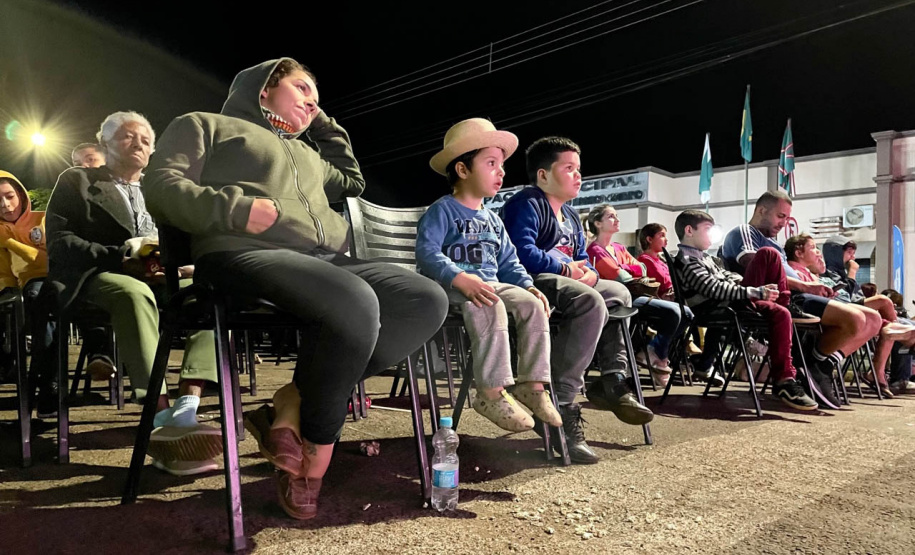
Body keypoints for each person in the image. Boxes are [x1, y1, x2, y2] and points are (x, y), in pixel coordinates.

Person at [143, 58, 448, 519]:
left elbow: (352, 180)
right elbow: (161, 185)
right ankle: (314, 459)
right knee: (353, 299)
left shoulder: (306, 153)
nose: (311, 100)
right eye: (302, 88)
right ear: (264, 88)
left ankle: (290, 402)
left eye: (317, 98)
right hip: (238, 251)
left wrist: (320, 119)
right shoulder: (206, 125)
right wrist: (233, 209)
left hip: (320, 260)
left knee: (425, 299)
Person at [45, 111, 222, 475]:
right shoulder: (77, 180)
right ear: (105, 143)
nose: (138, 142)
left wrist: (188, 263)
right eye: (127, 136)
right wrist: (120, 256)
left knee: (212, 291)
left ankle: (187, 405)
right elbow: (61, 242)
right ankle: (159, 416)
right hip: (102, 274)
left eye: (145, 139)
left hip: (164, 275)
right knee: (132, 294)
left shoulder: (162, 189)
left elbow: (187, 238)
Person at [501, 136, 652, 465]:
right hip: (534, 281)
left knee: (619, 293)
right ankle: (563, 401)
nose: (577, 175)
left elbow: (585, 260)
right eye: (568, 168)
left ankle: (612, 379)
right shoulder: (527, 203)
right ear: (543, 175)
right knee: (591, 301)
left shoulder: (570, 215)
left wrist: (593, 276)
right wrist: (568, 269)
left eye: (578, 169)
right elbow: (520, 253)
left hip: (569, 281)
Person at [416, 118, 561, 434]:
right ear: (463, 170)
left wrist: (527, 285)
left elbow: (509, 261)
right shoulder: (442, 211)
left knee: (532, 305)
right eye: (491, 163)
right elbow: (427, 253)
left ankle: (533, 386)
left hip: (491, 283)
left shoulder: (493, 220)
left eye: (502, 164)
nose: (501, 171)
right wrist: (459, 278)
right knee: (489, 302)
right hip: (450, 286)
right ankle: (490, 392)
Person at [721, 191, 880, 407]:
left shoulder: (773, 242)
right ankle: (815, 364)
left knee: (874, 320)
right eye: (780, 216)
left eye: (787, 218)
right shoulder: (745, 232)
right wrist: (806, 285)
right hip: (788, 298)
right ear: (761, 210)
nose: (784, 223)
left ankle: (822, 363)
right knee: (856, 320)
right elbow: (754, 265)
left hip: (800, 295)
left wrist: (816, 285)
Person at [673, 210, 818, 411]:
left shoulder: (705, 258)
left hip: (731, 303)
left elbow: (727, 276)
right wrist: (754, 291)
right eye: (707, 229)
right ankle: (784, 378)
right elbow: (713, 289)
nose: (711, 235)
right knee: (779, 305)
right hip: (719, 307)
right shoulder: (688, 260)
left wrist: (750, 286)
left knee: (770, 257)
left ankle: (783, 304)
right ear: (689, 230)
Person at [786, 233, 914, 398]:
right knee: (882, 310)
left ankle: (879, 367)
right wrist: (850, 273)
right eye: (813, 248)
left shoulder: (819, 273)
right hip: (827, 310)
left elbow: (847, 294)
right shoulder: (799, 271)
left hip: (840, 306)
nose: (818, 252)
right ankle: (823, 363)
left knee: (889, 323)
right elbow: (844, 295)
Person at [585, 205, 683, 386]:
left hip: (635, 295)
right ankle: (654, 354)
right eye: (611, 216)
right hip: (617, 299)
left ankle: (654, 352)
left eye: (616, 215)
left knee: (686, 314)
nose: (617, 219)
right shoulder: (595, 250)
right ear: (598, 223)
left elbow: (642, 269)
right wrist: (628, 269)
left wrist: (624, 268)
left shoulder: (619, 247)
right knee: (675, 313)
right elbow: (622, 278)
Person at [0, 171, 48, 392]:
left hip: (55, 281)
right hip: (25, 290)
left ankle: (43, 380)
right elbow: (5, 274)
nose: (5, 204)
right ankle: (44, 382)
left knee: (38, 297)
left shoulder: (44, 218)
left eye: (9, 196)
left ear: (20, 193)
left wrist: (10, 242)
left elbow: (49, 262)